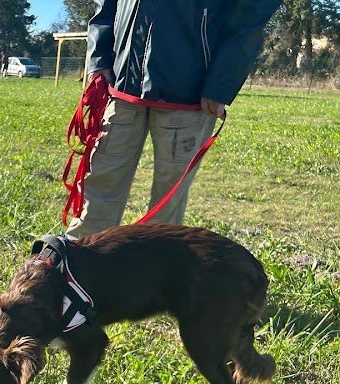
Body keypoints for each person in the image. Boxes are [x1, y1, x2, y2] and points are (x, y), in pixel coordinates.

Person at [66, 0, 281, 238]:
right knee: (100, 179)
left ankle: (158, 266)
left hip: (189, 95)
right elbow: (105, 7)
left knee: (168, 202)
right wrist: (99, 60)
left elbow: (250, 15)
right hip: (122, 86)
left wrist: (220, 84)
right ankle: (80, 261)